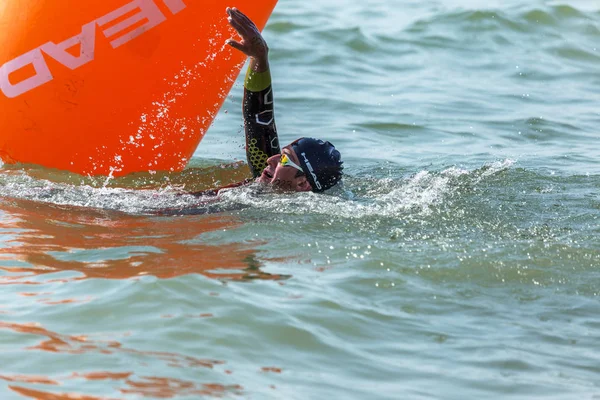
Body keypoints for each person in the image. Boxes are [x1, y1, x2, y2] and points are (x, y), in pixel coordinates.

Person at [192, 8, 343, 197]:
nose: (270, 159)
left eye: (284, 159)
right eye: (281, 154)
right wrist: (259, 59)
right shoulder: (268, 183)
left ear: (302, 184)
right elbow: (258, 118)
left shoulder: (269, 197)